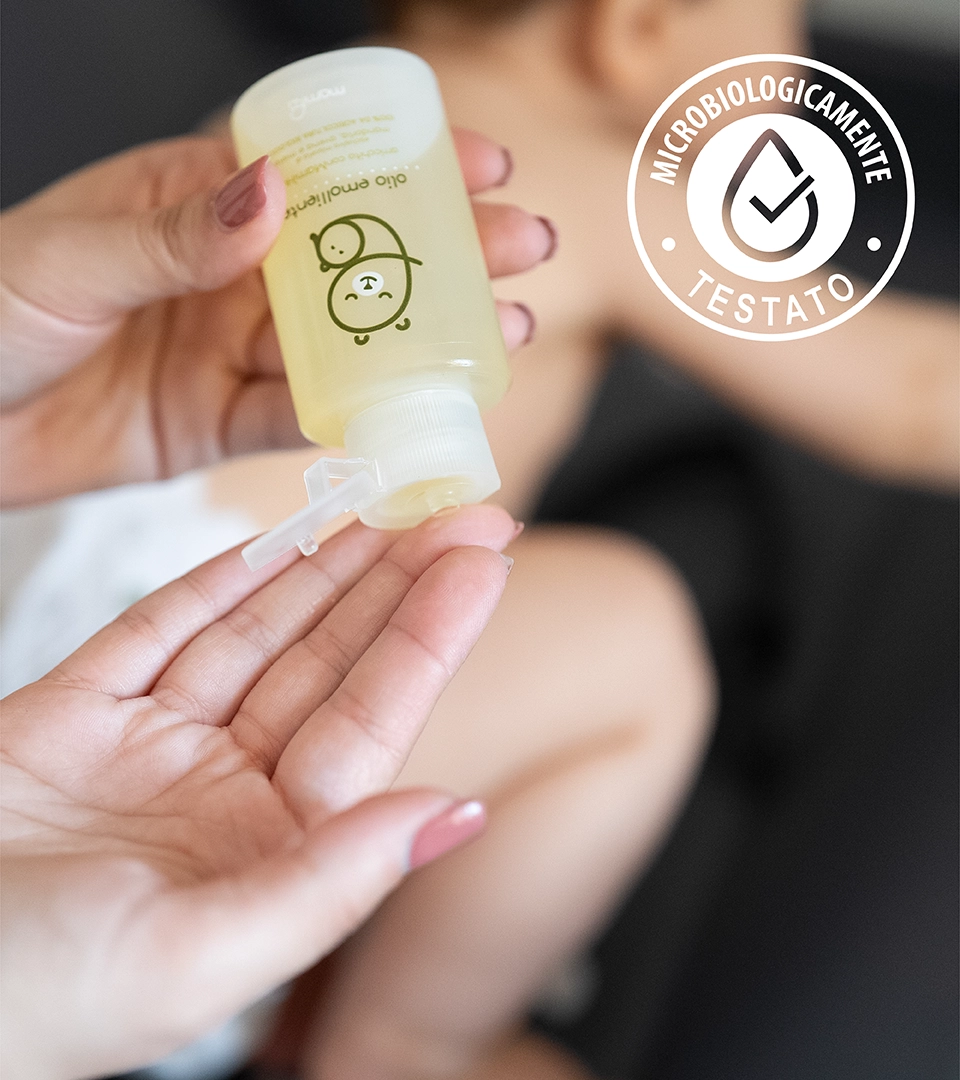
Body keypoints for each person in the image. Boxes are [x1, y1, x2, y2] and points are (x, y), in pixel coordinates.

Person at [246, 0, 957, 1078]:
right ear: (635, 29)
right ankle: (407, 1045)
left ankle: (303, 983)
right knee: (624, 636)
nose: (801, 73)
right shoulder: (581, 179)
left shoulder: (302, 136)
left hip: (85, 656)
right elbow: (912, 393)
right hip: (242, 690)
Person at [0, 130, 551, 1078]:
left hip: (75, 591)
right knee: (633, 620)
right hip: (118, 627)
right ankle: (409, 1048)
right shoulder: (602, 170)